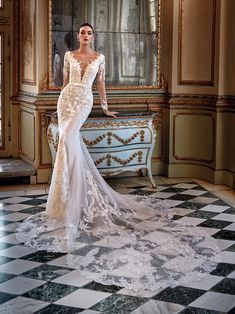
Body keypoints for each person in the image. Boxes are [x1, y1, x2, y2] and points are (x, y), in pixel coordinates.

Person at [17, 23, 221, 292]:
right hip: (66, 101)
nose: (85, 36)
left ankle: (77, 196)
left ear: (93, 37)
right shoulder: (69, 56)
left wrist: (105, 108)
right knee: (68, 142)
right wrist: (60, 106)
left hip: (85, 102)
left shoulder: (99, 58)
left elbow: (100, 84)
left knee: (68, 140)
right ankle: (67, 199)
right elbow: (65, 84)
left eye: (89, 33)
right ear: (77, 36)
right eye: (82, 33)